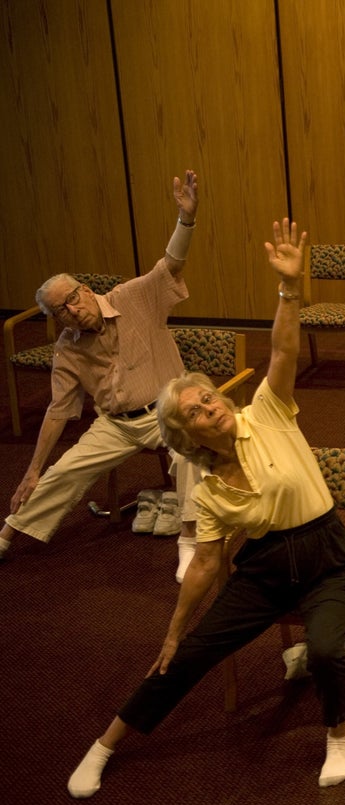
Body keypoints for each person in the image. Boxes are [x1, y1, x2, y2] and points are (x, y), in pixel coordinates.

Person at [67, 218, 345, 798]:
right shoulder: (206, 490)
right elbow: (206, 564)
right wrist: (175, 632)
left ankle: (339, 734)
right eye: (198, 412)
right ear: (189, 437)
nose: (211, 407)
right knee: (185, 658)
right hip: (265, 568)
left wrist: (289, 288)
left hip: (330, 555)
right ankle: (104, 746)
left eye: (209, 396)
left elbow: (281, 348)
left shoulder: (268, 411)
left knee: (327, 648)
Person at [0, 171, 202, 581]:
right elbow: (58, 412)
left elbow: (171, 264)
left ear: (88, 291)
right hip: (116, 423)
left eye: (74, 298)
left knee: (188, 456)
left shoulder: (132, 296)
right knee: (64, 469)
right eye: (61, 310)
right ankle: (6, 533)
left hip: (168, 409)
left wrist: (186, 219)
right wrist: (34, 468)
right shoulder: (68, 348)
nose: (72, 310)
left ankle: (190, 540)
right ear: (57, 318)